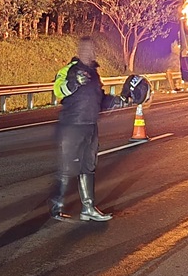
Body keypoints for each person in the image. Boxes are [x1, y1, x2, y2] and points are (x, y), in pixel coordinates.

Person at [49, 37, 132, 223]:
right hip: (72, 126)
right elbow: (58, 90)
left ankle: (88, 207)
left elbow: (100, 98)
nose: (88, 52)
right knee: (67, 167)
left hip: (90, 126)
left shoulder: (94, 74)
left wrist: (119, 100)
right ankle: (57, 207)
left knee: (88, 166)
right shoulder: (69, 70)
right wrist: (74, 83)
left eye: (90, 49)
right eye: (84, 49)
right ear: (79, 51)